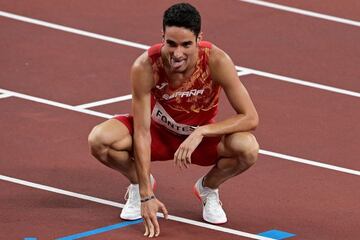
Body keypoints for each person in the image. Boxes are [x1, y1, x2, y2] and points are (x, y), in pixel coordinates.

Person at [88, 2, 259, 238]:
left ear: (199, 38)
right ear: (162, 37)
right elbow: (141, 131)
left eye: (186, 45)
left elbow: (250, 117)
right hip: (159, 135)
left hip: (199, 141)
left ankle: (208, 188)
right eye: (171, 44)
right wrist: (147, 194)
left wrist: (201, 132)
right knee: (100, 140)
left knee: (248, 148)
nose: (177, 54)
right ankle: (139, 182)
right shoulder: (145, 66)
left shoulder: (216, 61)